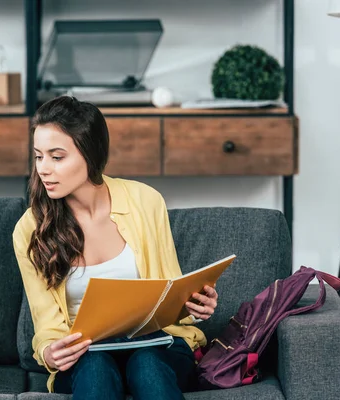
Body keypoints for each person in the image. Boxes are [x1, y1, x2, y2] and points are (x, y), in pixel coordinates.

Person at [12, 96, 218, 400]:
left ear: (90, 154)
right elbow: (46, 324)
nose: (43, 169)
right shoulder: (30, 228)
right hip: (85, 354)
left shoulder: (145, 201)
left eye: (57, 157)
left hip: (156, 346)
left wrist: (193, 305)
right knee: (95, 368)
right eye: (38, 156)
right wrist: (49, 352)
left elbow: (170, 291)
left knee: (147, 366)